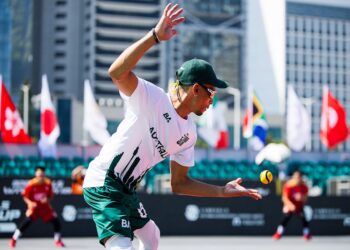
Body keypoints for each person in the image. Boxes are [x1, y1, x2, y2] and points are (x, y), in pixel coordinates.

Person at [82, 3, 262, 250]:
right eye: (211, 93)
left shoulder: (188, 134)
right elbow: (116, 73)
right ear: (196, 89)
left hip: (125, 190)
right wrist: (154, 37)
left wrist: (222, 191)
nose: (213, 100)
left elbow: (180, 184)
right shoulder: (152, 97)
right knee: (123, 246)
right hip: (103, 181)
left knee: (152, 236)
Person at [9, 166, 65, 248]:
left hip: (45, 208)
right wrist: (30, 203)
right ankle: (14, 239)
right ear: (36, 175)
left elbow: (51, 196)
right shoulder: (31, 184)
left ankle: (58, 240)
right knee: (26, 222)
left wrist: (47, 200)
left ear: (44, 175)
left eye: (42, 175)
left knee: (56, 222)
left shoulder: (48, 183)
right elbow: (25, 196)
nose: (40, 177)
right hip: (34, 208)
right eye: (39, 175)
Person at [272, 169, 311, 240]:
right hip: (289, 205)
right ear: (293, 177)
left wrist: (301, 198)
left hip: (299, 206)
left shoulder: (304, 187)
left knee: (304, 218)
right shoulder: (288, 186)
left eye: (299, 177)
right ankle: (278, 233)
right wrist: (289, 206)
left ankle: (306, 234)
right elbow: (284, 198)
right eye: (295, 177)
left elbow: (305, 199)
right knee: (286, 217)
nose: (297, 178)